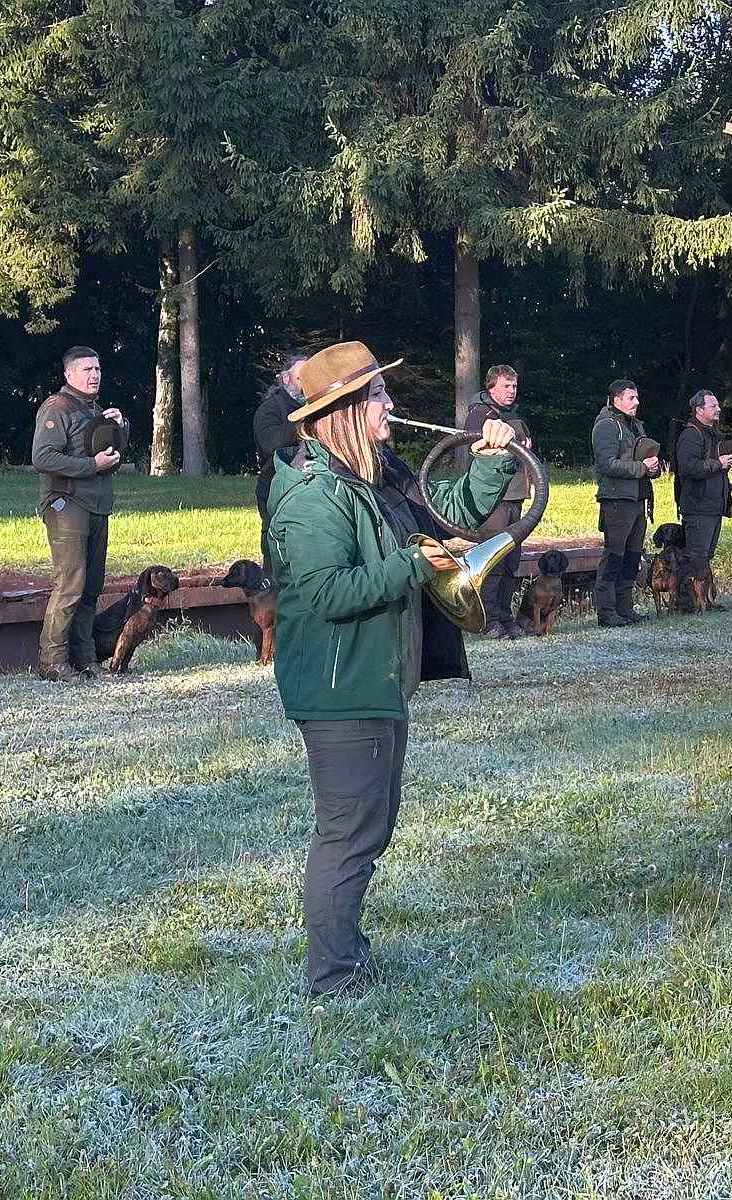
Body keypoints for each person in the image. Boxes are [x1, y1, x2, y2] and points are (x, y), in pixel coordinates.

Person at [264, 339, 519, 997]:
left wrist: (490, 462)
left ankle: (347, 954)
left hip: (374, 677)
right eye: (377, 393)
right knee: (349, 834)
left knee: (369, 827)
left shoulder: (376, 474)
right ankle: (333, 978)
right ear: (346, 409)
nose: (390, 403)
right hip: (340, 686)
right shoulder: (313, 497)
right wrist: (413, 564)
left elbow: (448, 511)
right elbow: (324, 593)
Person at [31, 346, 129, 683]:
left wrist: (120, 427)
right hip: (67, 504)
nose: (94, 375)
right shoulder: (57, 408)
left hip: (97, 505)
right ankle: (52, 661)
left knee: (91, 587)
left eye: (97, 369)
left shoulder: (95, 410)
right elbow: (42, 457)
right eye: (87, 369)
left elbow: (110, 455)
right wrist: (91, 465)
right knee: (70, 585)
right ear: (69, 374)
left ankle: (85, 659)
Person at [464, 364, 534, 638]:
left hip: (515, 497)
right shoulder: (479, 414)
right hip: (493, 500)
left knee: (511, 563)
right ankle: (487, 620)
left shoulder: (513, 415)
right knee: (492, 563)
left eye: (514, 386)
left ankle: (505, 617)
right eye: (506, 386)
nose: (511, 391)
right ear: (490, 387)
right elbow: (477, 448)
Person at [591, 378, 659, 627]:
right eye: (631, 398)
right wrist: (641, 467)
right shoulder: (606, 426)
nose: (637, 402)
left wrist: (652, 469)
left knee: (632, 557)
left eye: (636, 397)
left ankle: (625, 608)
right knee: (614, 556)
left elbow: (642, 458)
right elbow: (607, 464)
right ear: (616, 400)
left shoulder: (635, 426)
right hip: (617, 500)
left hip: (637, 498)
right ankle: (607, 612)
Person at [674, 389, 732, 601]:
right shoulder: (691, 435)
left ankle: (703, 602)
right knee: (696, 558)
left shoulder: (711, 433)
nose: (718, 409)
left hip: (713, 507)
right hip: (698, 507)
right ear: (699, 410)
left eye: (717, 405)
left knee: (705, 556)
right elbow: (688, 467)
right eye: (713, 406)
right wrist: (718, 464)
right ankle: (688, 603)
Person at [254, 353, 309, 570]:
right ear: (286, 379)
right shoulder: (269, 409)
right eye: (302, 377)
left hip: (307, 487)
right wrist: (302, 417)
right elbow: (272, 445)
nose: (308, 382)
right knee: (276, 540)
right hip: (275, 486)